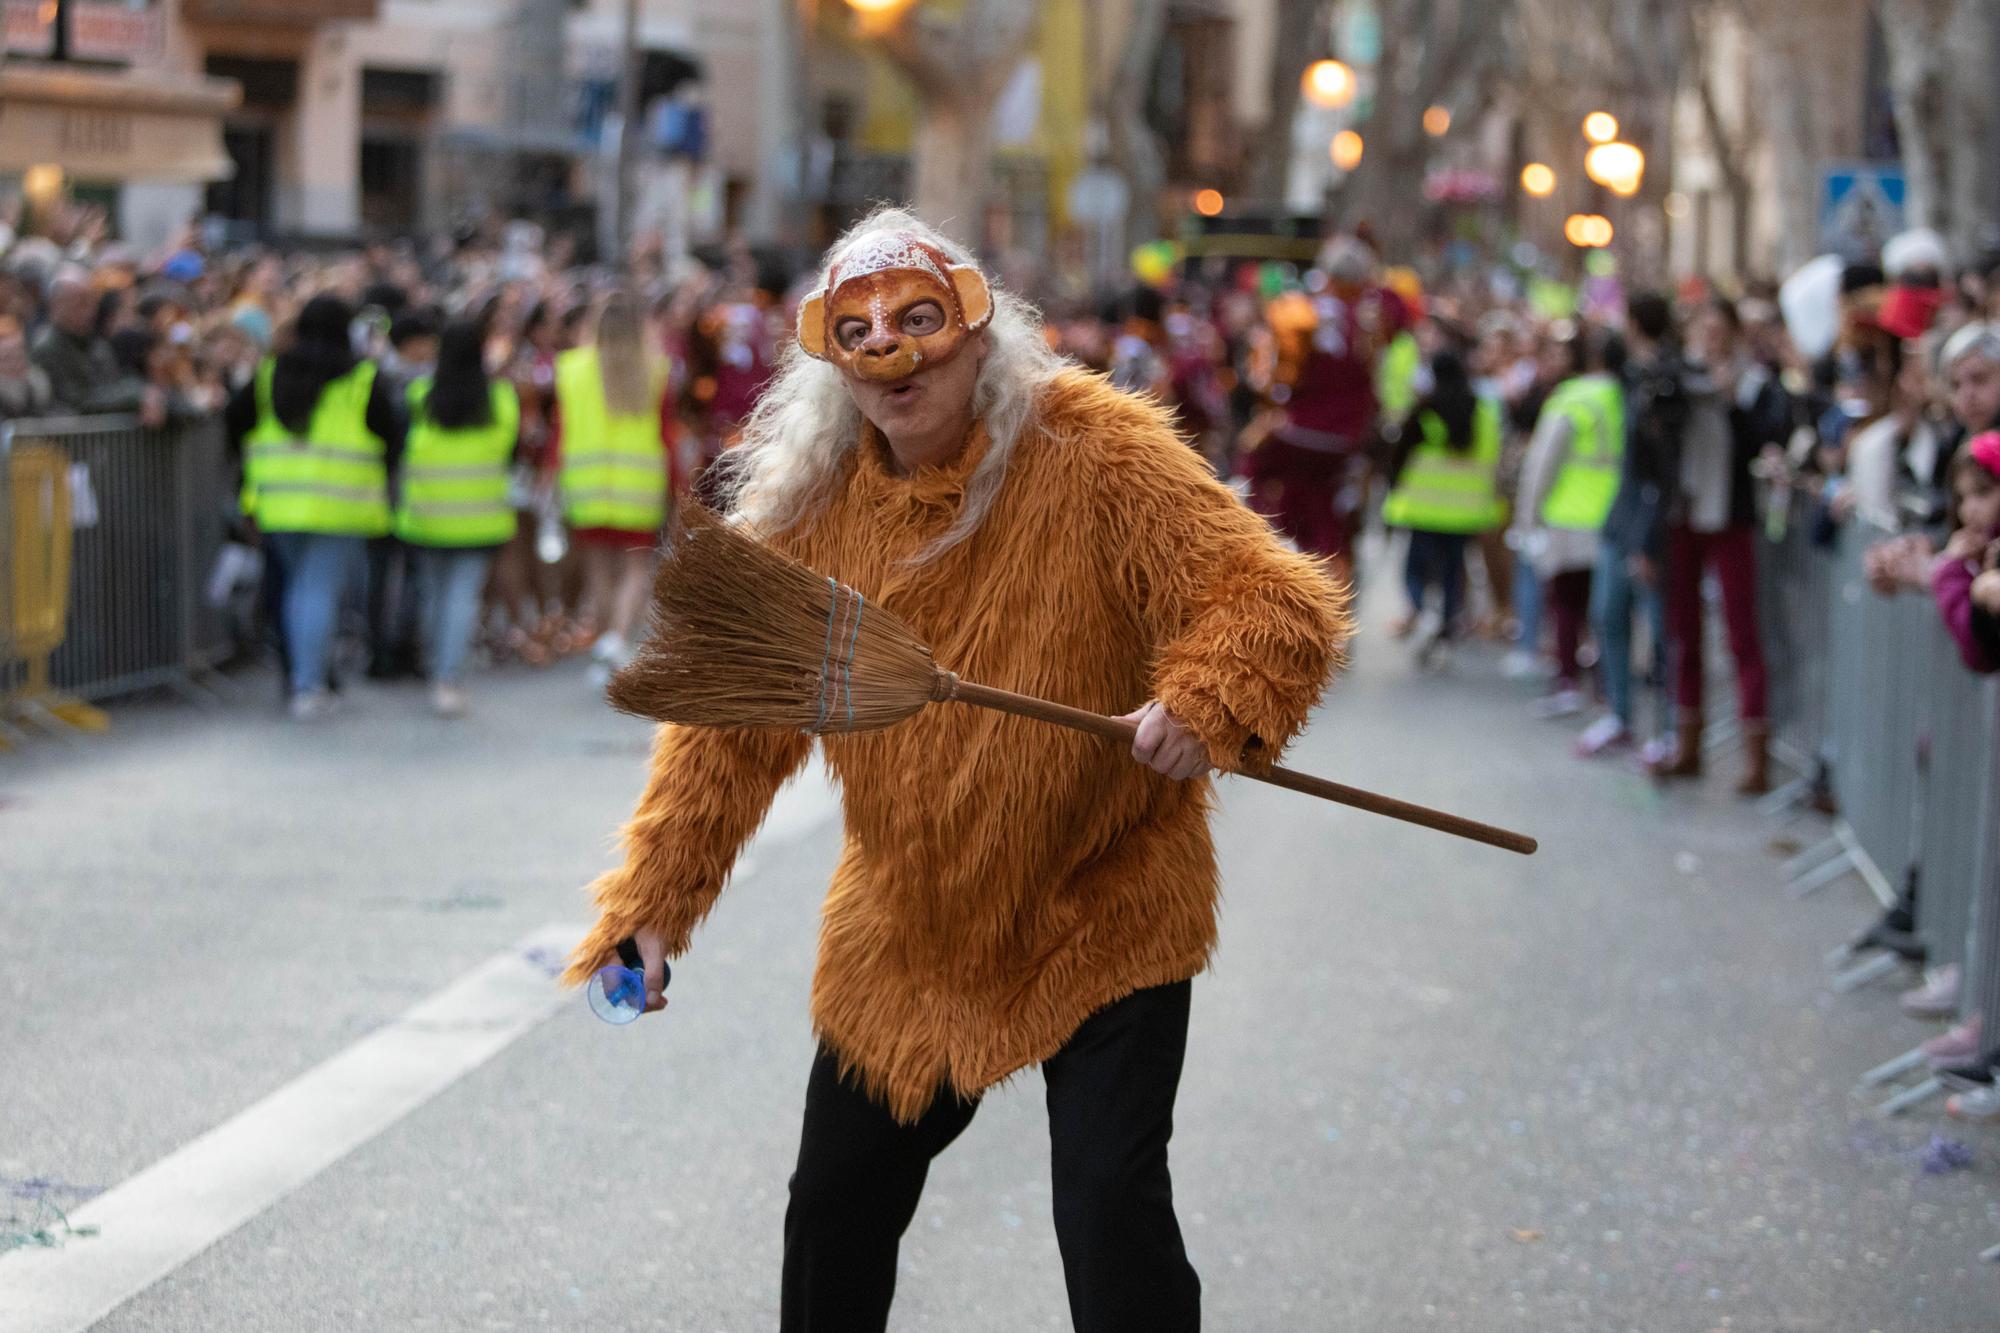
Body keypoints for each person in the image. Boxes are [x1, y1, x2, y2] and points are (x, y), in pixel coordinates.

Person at [560, 209, 1348, 1332]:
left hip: (1104, 905)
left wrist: (1203, 699)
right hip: (909, 927)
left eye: (920, 321)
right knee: (831, 1212)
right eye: (862, 332)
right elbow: (727, 730)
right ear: (833, 363)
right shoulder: (807, 508)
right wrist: (652, 906)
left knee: (1108, 1210)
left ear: (979, 334)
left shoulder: (1094, 450)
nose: (894, 355)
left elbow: (1274, 597)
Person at [228, 294, 407, 720]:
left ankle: (309, 676)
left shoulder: (270, 374)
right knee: (317, 593)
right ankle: (308, 685)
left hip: (277, 504)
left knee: (299, 592)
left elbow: (235, 422)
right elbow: (392, 434)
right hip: (339, 507)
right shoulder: (362, 378)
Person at [1645, 297, 1784, 789]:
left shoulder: (1753, 382)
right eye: (1700, 326)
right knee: (1683, 633)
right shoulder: (1677, 377)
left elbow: (1766, 439)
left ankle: (1755, 757)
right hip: (1684, 515)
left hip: (1729, 516)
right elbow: (1653, 436)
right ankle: (1688, 742)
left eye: (1717, 326)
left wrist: (1730, 399)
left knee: (1741, 633)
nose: (1709, 335)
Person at [395, 313, 521, 717]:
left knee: (433, 597)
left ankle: (437, 668)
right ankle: (447, 679)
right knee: (461, 599)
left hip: (426, 516)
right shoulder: (501, 399)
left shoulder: (418, 394)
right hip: (479, 518)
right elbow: (511, 450)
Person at [554, 290, 670, 670]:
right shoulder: (656, 368)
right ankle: (618, 638)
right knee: (636, 569)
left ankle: (606, 637)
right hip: (638, 486)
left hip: (586, 485)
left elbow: (560, 429)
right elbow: (668, 432)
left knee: (598, 568)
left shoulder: (570, 367)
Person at [1513, 324, 1624, 718]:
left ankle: (1568, 682)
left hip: (1570, 517)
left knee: (1566, 606)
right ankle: (1608, 690)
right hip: (1616, 517)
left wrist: (1527, 518)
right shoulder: (1624, 394)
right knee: (1608, 613)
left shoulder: (1572, 397)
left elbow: (1542, 463)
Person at [1381, 346, 1505, 668]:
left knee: (1415, 568)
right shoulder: (1482, 412)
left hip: (1423, 508)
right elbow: (1492, 457)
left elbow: (1399, 454)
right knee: (1453, 571)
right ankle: (1446, 628)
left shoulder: (1425, 409)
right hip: (1465, 511)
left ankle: (1424, 613)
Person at [30, 268, 163, 422]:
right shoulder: (47, 347)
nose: (90, 311)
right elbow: (78, 401)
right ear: (57, 304)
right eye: (80, 303)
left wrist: (146, 392)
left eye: (92, 302)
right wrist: (135, 398)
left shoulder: (96, 343)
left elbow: (115, 382)